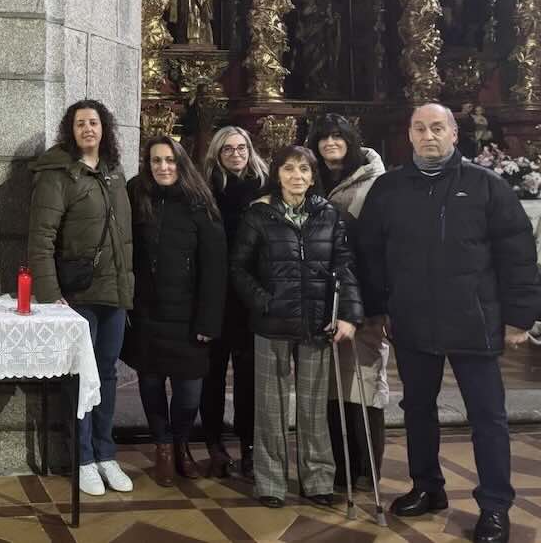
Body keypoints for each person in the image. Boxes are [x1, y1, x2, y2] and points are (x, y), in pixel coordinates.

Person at [356, 103, 541, 543]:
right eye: (420, 128)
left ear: (454, 134)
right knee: (418, 410)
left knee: (488, 417)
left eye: (437, 127)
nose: (428, 135)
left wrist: (519, 318)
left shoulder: (487, 186)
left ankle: (495, 505)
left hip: (474, 321)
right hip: (412, 320)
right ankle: (427, 487)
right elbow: (371, 256)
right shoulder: (389, 189)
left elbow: (518, 256)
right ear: (410, 135)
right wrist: (379, 308)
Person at [231, 145, 362, 509]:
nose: (297, 176)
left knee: (312, 406)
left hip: (316, 323)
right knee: (270, 408)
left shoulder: (328, 214)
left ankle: (318, 477)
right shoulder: (259, 214)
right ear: (278, 174)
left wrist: (349, 314)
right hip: (271, 322)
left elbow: (344, 267)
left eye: (304, 169)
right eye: (289, 169)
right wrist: (264, 301)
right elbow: (238, 268)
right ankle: (271, 481)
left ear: (312, 175)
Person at [27, 99, 134, 496]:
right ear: (70, 131)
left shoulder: (114, 173)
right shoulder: (58, 174)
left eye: (94, 122)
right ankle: (83, 457)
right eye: (80, 124)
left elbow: (124, 236)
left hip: (114, 292)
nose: (88, 129)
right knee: (81, 377)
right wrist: (51, 296)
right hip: (77, 296)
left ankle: (107, 454)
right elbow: (41, 239)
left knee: (107, 374)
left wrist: (127, 289)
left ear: (104, 128)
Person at [122, 136, 226, 487]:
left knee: (188, 394)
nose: (163, 167)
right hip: (148, 313)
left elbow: (215, 266)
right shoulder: (137, 194)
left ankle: (180, 441)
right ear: (147, 164)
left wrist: (209, 320)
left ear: (181, 163)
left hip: (189, 316)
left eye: (169, 160)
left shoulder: (200, 201)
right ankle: (163, 446)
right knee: (150, 386)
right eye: (156, 161)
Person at [306, 114, 388, 493]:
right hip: (324, 299)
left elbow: (383, 245)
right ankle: (338, 467)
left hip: (366, 298)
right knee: (331, 388)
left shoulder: (376, 182)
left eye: (338, 136)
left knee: (364, 385)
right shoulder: (310, 178)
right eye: (323, 137)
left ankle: (366, 470)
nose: (330, 143)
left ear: (351, 140)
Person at [199, 126, 267, 478]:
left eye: (242, 148)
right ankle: (213, 442)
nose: (236, 154)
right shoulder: (205, 190)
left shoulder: (265, 187)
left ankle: (250, 445)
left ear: (250, 150)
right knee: (212, 374)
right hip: (217, 294)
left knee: (248, 377)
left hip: (251, 296)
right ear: (217, 154)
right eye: (228, 149)